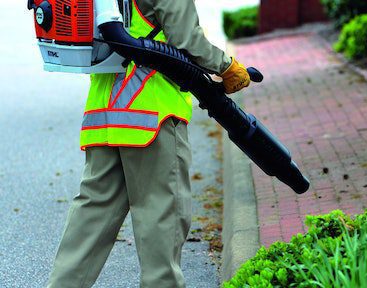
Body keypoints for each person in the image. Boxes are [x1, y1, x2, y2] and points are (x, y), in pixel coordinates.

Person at [47, 0, 250, 287]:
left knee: (89, 222)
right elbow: (187, 40)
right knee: (160, 223)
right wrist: (226, 66)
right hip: (151, 116)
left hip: (105, 112)